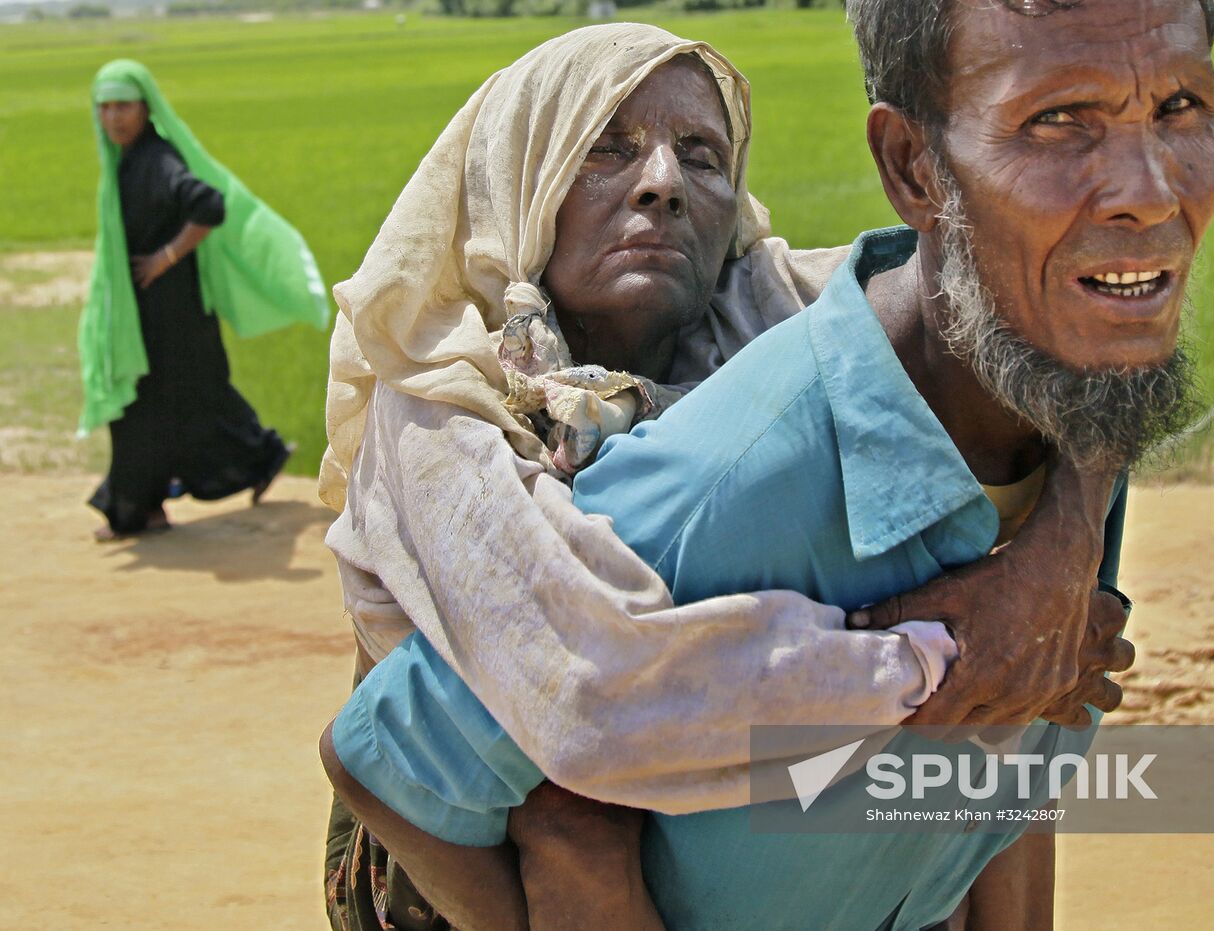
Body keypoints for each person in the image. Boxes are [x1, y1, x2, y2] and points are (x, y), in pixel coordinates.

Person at [317, 20, 1147, 931]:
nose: (663, 183)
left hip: (707, 775)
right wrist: (929, 663)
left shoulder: (769, 311)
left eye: (702, 156)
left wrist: (1057, 566)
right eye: (607, 148)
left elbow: (1034, 304)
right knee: (577, 826)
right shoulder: (441, 402)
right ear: (524, 180)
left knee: (1005, 724)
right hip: (464, 834)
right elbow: (588, 680)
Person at [80, 60, 328, 541]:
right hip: (161, 316)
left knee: (143, 412)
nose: (114, 117)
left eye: (124, 106)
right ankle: (256, 459)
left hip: (171, 315)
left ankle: (136, 510)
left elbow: (209, 204)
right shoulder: (128, 160)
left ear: (145, 107)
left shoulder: (155, 159)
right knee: (196, 399)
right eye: (105, 107)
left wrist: (165, 257)